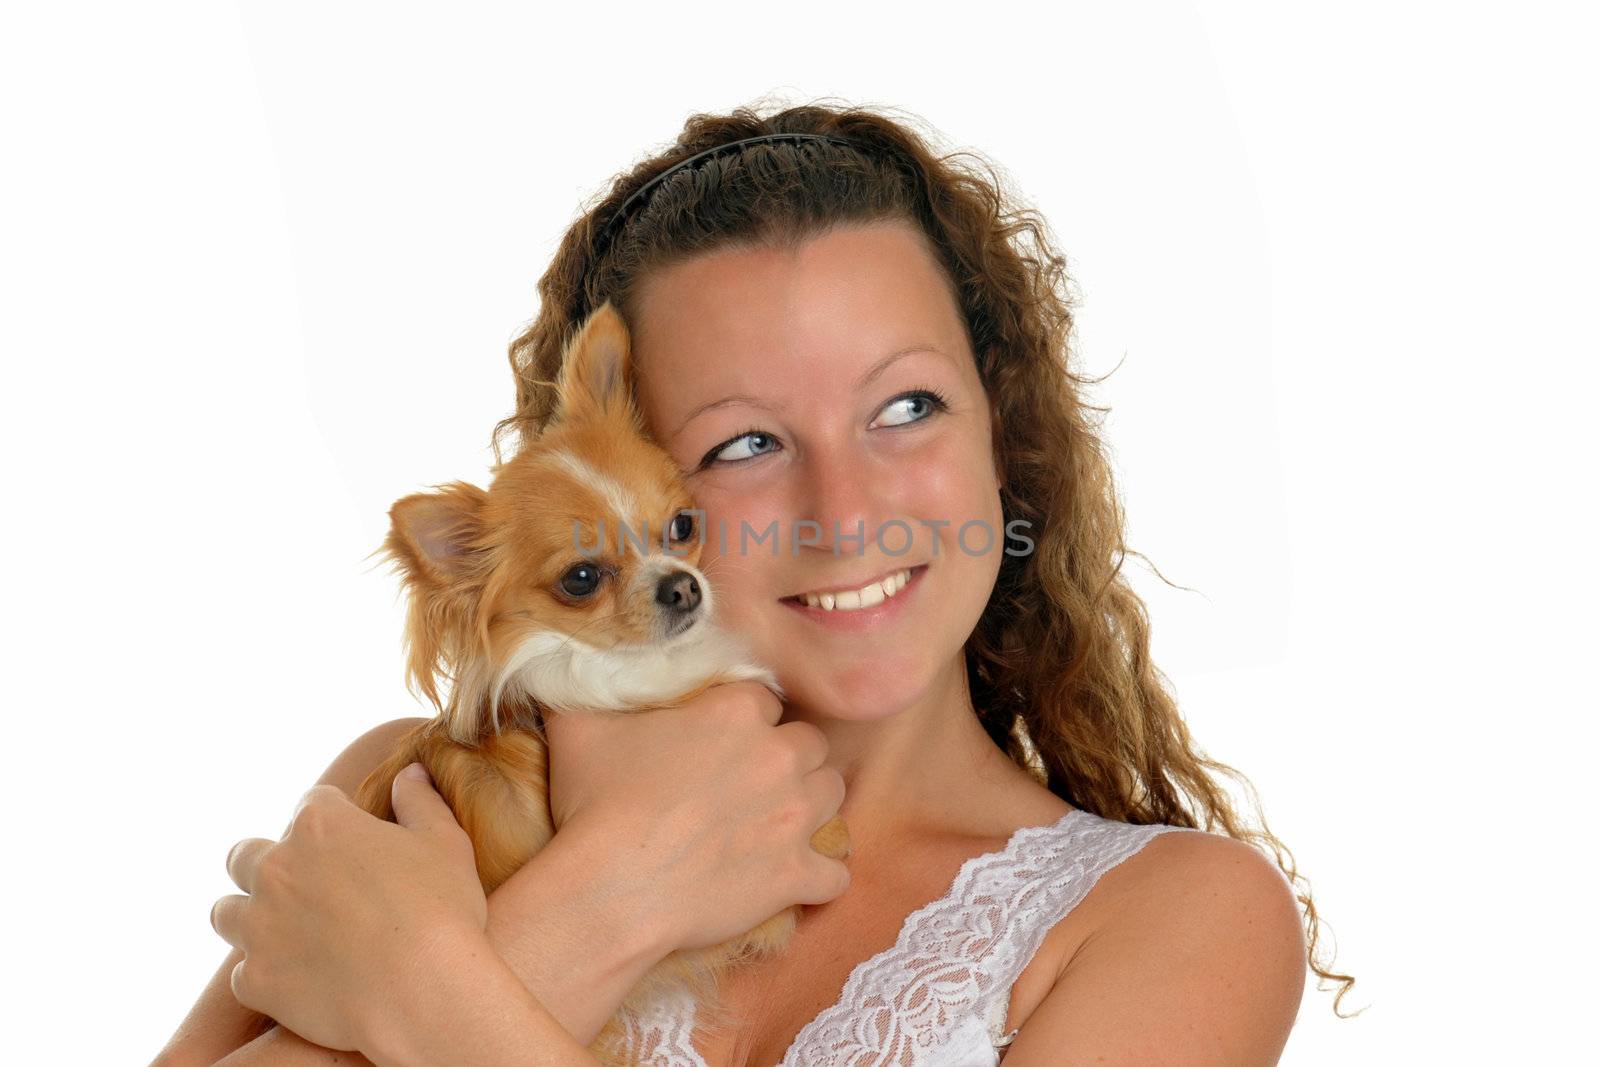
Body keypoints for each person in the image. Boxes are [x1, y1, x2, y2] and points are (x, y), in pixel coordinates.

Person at [157, 100, 1355, 1067]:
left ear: (1005, 425)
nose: (844, 510)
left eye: (905, 406)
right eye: (741, 445)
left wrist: (445, 978)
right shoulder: (417, 791)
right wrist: (604, 879)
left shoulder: (1178, 919)